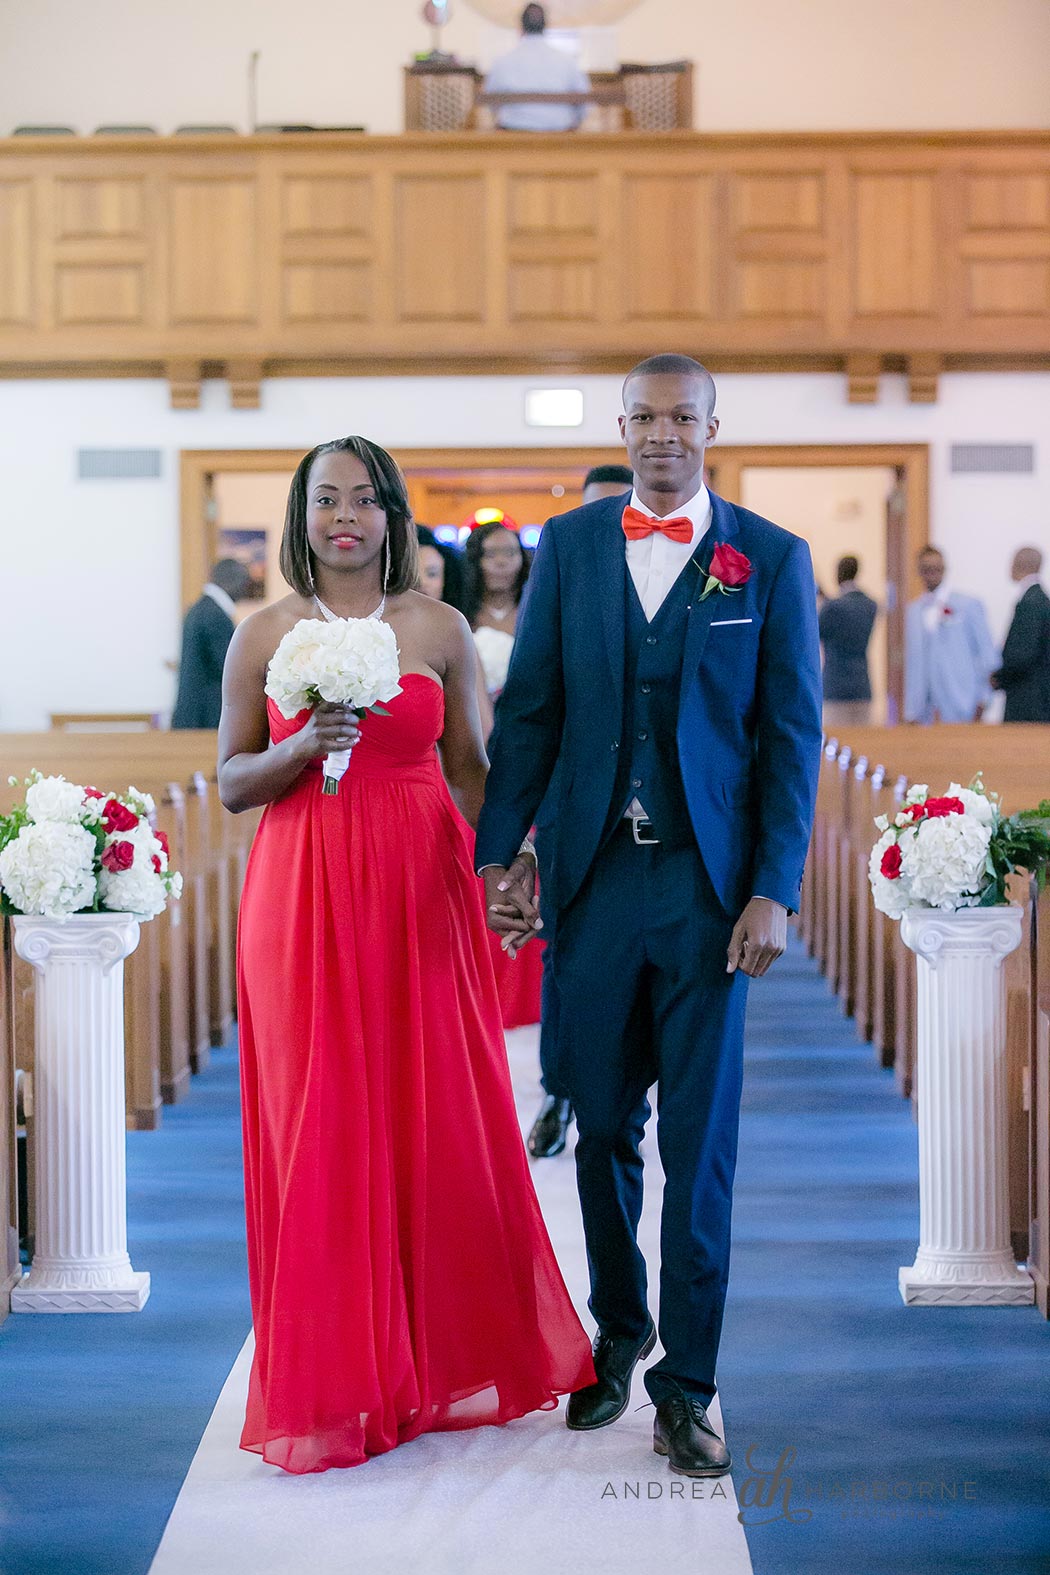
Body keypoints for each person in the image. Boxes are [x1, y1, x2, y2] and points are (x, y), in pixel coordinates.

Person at [218, 437, 593, 1475]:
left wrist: (510, 875)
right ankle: (339, 1375)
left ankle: (439, 1360)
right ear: (302, 518)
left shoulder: (438, 628)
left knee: (435, 1110)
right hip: (301, 886)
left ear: (394, 515)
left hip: (420, 883)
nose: (345, 516)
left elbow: (473, 770)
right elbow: (232, 782)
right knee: (322, 1114)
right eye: (326, 499)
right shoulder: (262, 635)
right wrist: (303, 745)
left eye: (365, 499)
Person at [476, 354, 823, 1478]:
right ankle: (617, 1336)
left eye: (684, 417)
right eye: (644, 417)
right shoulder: (571, 549)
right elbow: (530, 713)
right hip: (591, 886)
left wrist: (775, 884)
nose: (663, 434)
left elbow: (788, 738)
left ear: (715, 425)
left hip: (708, 893)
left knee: (699, 1144)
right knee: (601, 1124)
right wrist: (501, 857)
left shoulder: (769, 559)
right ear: (619, 425)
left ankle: (690, 1386)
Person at [529, 464, 635, 1160]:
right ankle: (559, 1088)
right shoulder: (563, 578)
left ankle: (624, 1087)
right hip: (575, 805)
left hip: (659, 823)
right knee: (566, 959)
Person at [463, 520, 543, 1030]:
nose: (500, 562)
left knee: (527, 860)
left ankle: (525, 994)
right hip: (472, 750)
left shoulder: (536, 612)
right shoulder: (456, 616)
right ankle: (479, 985)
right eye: (489, 554)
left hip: (526, 751)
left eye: (509, 553)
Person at [904, 546, 999, 724]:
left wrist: (983, 699)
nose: (931, 574)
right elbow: (913, 661)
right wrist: (911, 709)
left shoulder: (968, 605)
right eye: (926, 569)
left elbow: (987, 655)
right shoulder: (913, 610)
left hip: (962, 702)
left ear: (944, 569)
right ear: (919, 571)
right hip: (924, 709)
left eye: (936, 569)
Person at [483, 4, 589, 133]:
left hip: (513, 137)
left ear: (521, 27)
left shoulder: (502, 61)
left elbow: (491, 103)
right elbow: (584, 103)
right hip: (559, 137)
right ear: (546, 26)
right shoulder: (567, 61)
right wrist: (574, 123)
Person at [171, 558, 251, 728]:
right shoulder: (215, 615)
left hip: (192, 714)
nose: (245, 589)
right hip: (205, 716)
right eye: (244, 583)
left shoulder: (202, 609)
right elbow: (228, 667)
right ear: (232, 581)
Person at [818, 554, 879, 730]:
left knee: (838, 744)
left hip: (835, 685)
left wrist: (823, 603)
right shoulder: (870, 605)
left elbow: (818, 632)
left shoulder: (832, 608)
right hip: (861, 684)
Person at [992, 546, 1050, 721]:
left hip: (1028, 701)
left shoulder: (1030, 603)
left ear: (1017, 564)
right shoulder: (1041, 600)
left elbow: (1022, 654)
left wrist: (998, 678)